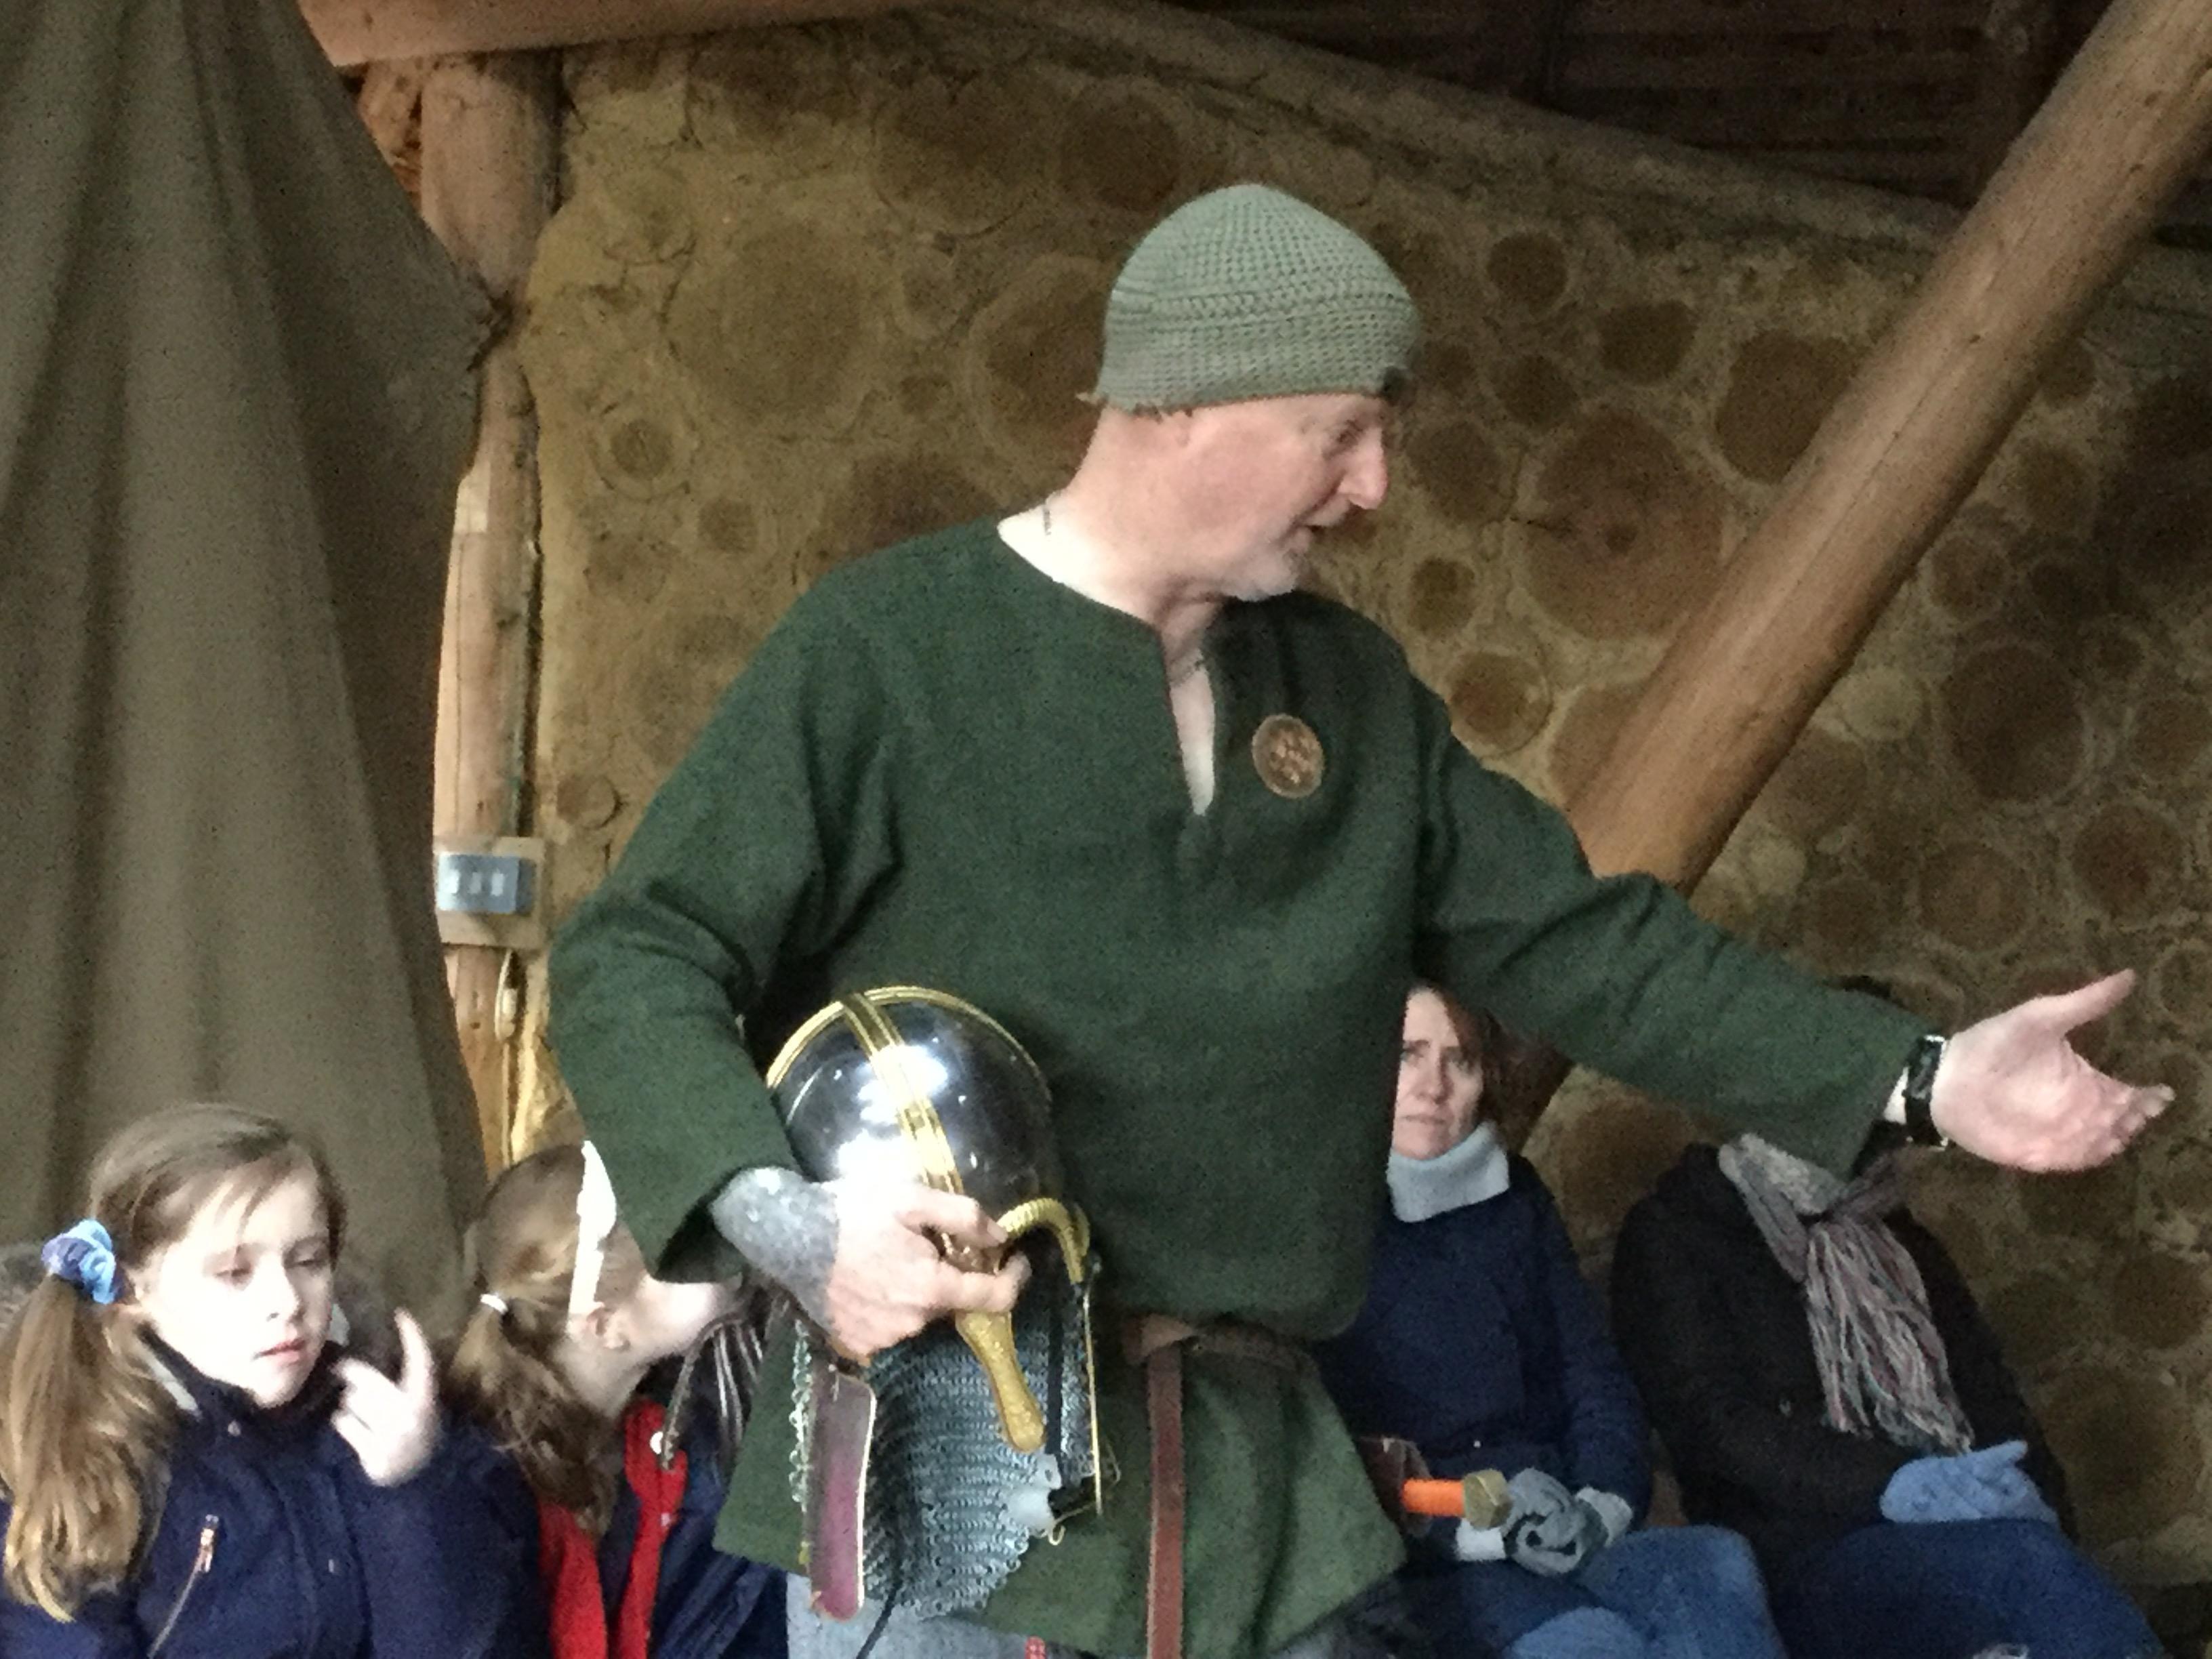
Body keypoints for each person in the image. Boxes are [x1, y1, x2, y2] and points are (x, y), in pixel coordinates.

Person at [547, 182, 2167, 1659]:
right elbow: (640, 955)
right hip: (952, 1451)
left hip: (1257, 1471)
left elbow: (1589, 942)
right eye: (1337, 433)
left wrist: (1924, 1074)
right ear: (1173, 404)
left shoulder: (1348, 695)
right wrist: (790, 1224)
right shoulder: (887, 653)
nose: (1376, 486)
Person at [1314, 986, 1787, 1659]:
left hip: (1564, 1511)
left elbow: (1591, 1374)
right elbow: (1330, 1452)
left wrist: (1601, 1504)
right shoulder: (1322, 1227)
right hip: (1432, 1554)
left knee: (1713, 1566)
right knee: (1593, 1643)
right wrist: (1484, 1523)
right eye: (1407, 1056)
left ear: (1486, 1079)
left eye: (1460, 1060)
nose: (1433, 1087)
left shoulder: (1516, 1196)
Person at [1611, 1113, 2164, 1659]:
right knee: (2023, 1572)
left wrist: (2035, 1504)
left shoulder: (1900, 1237)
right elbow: (1715, 1426)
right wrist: (1894, 1484)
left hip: (1962, 1532)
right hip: (1801, 1551)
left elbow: (1990, 1398)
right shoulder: (1677, 1233)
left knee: (2042, 1569)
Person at [0, 1102, 533, 1658]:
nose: (287, 1301)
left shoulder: (386, 1422)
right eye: (235, 1273)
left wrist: (411, 1492)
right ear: (135, 1292)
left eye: (309, 1261)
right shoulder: (78, 1461)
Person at [445, 1143, 786, 1659]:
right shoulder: (492, 1505)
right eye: (679, 1257)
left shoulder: (681, 1423)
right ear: (605, 1326)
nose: (716, 1246)